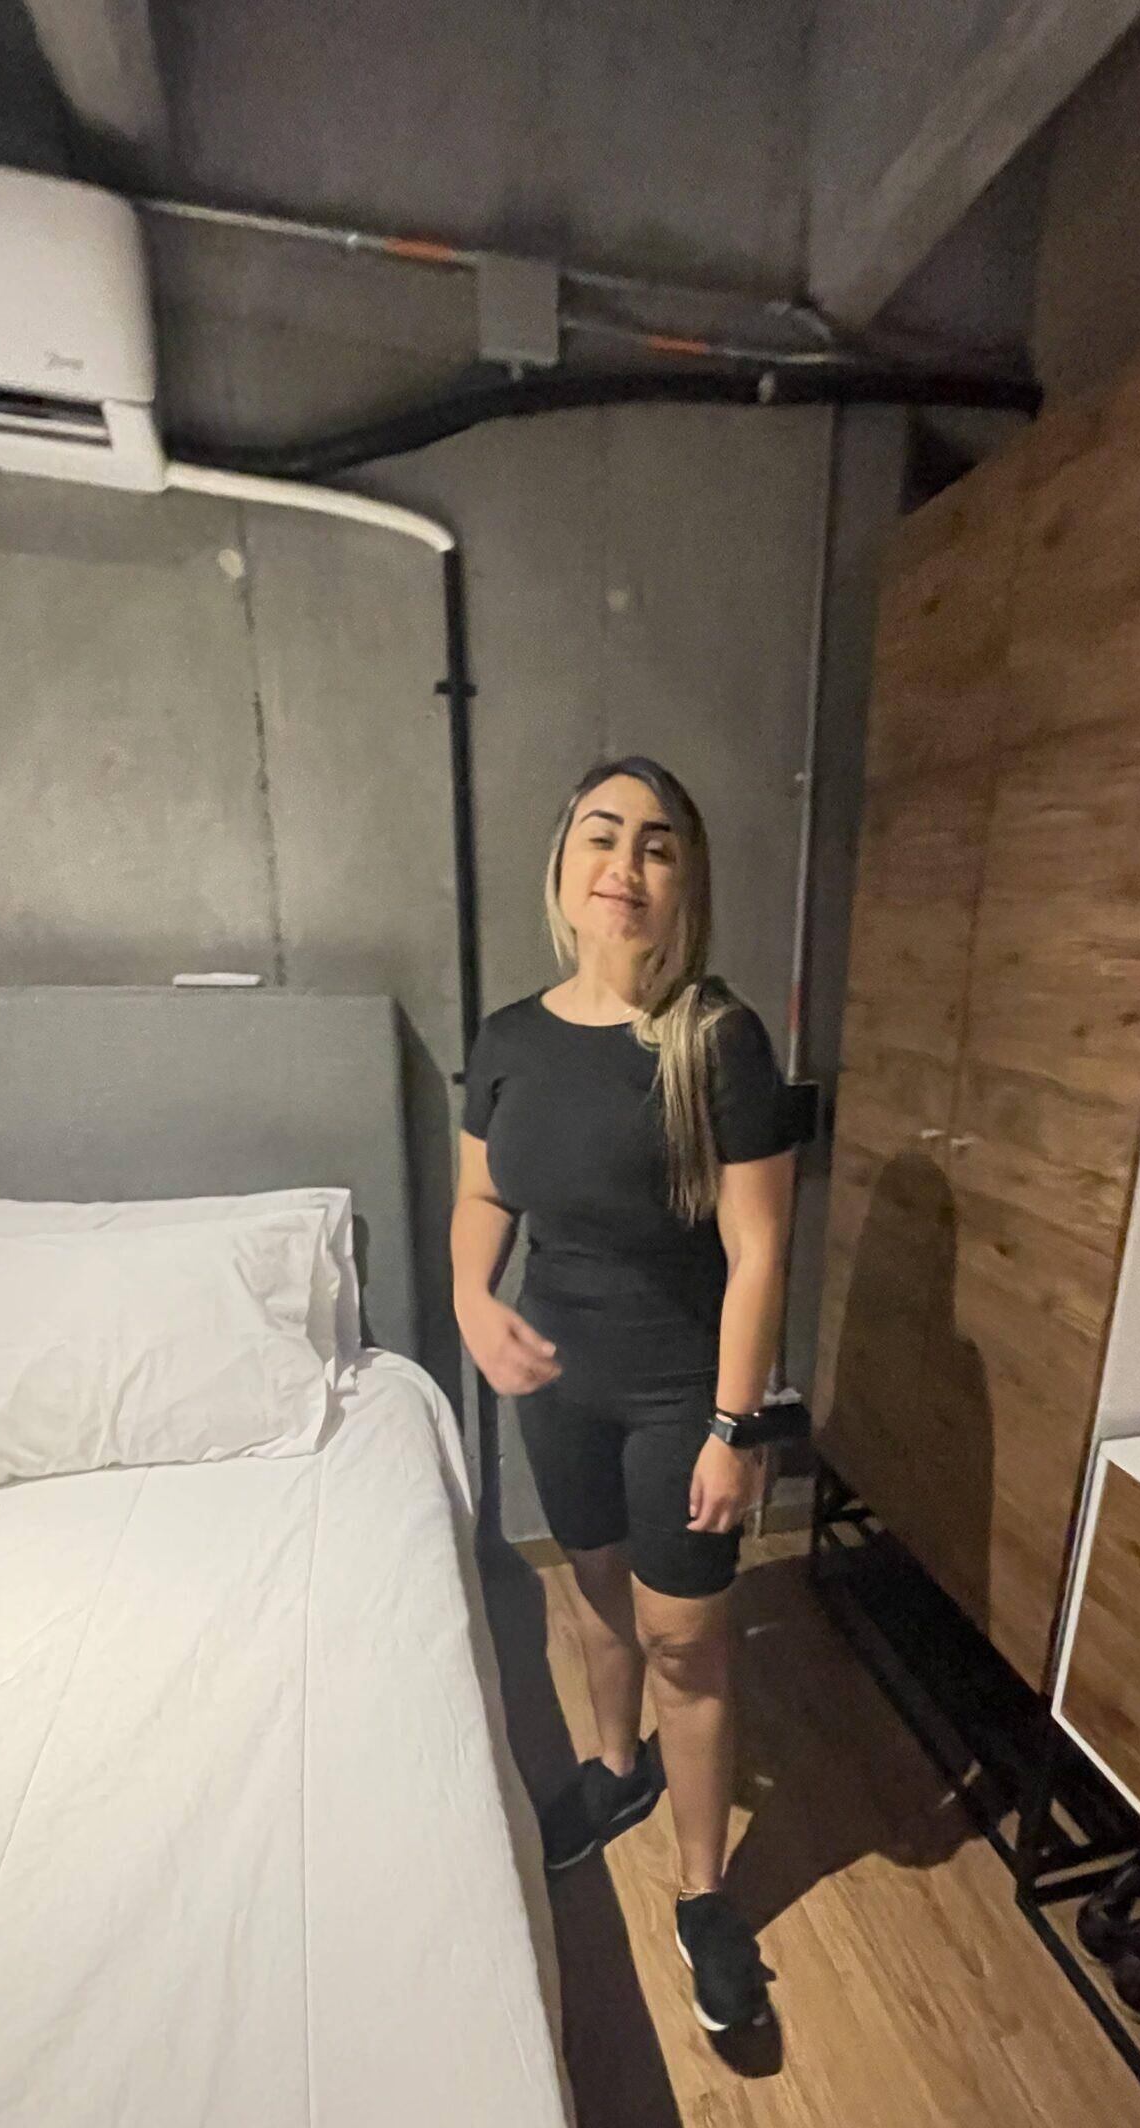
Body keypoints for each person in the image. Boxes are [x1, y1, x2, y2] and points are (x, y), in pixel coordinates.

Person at [454, 757, 797, 2034]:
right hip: (558, 1382)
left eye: (657, 844)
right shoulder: (509, 1038)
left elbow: (759, 1249)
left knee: (685, 1642)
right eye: (603, 836)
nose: (626, 865)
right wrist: (471, 1299)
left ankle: (704, 1895)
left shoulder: (720, 1039)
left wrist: (734, 1427)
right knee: (597, 1592)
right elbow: (482, 1194)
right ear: (563, 866)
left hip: (679, 1396)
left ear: (683, 881)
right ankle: (615, 1769)